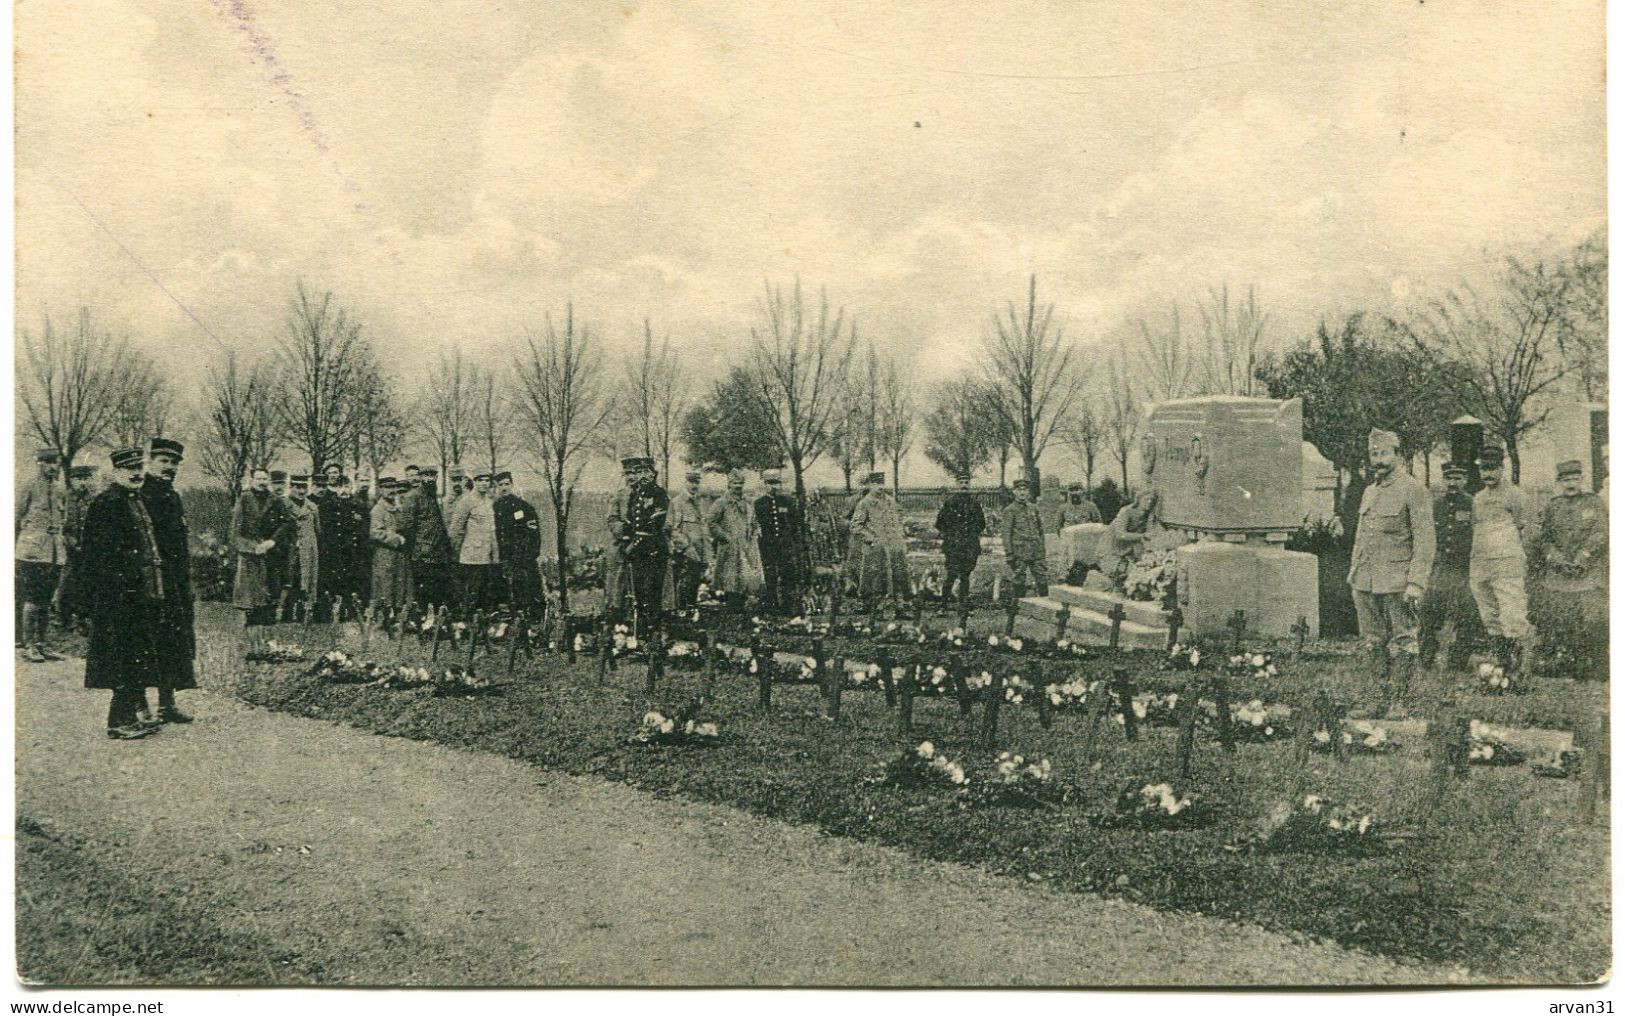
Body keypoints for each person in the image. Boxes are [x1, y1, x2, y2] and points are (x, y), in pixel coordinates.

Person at [1346, 428, 1435, 715]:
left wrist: (1416, 584)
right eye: (1374, 454)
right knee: (1372, 640)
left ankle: (1400, 701)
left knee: (1404, 639)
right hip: (1366, 579)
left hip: (1399, 581)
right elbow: (1362, 536)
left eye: (1384, 453)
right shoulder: (1370, 491)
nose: (1378, 460)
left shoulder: (1413, 490)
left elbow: (1425, 540)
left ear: (1398, 455)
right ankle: (1376, 700)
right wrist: (1354, 574)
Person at [80, 448, 167, 739]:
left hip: (142, 593)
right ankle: (118, 721)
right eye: (129, 468)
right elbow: (97, 556)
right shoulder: (108, 503)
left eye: (139, 467)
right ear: (116, 472)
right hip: (119, 597)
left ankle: (131, 715)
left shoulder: (135, 499)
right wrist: (117, 590)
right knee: (122, 658)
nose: (137, 473)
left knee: (136, 656)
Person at [1531, 458, 1609, 680]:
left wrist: (1583, 555)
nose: (1571, 483)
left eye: (1575, 478)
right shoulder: (1553, 506)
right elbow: (1544, 538)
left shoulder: (1593, 503)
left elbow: (1601, 532)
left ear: (1582, 479)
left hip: (1588, 573)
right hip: (1559, 574)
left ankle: (1598, 666)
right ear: (1559, 482)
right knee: (1562, 621)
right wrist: (1554, 558)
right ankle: (1567, 663)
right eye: (1566, 479)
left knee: (1593, 621)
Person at [140, 437, 199, 722]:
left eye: (174, 463)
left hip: (174, 581)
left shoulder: (172, 496)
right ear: (150, 462)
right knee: (145, 641)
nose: (169, 467)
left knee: (173, 641)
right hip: (149, 581)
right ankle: (139, 705)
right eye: (164, 461)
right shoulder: (140, 493)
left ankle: (167, 703)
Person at [1467, 446, 1532, 682]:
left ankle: (1518, 671)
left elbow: (1524, 528)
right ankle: (1501, 666)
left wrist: (1518, 557)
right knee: (1489, 614)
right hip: (1482, 563)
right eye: (1484, 469)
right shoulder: (1478, 498)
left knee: (1512, 613)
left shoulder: (1515, 495)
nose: (1488, 474)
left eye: (1492, 468)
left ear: (1502, 468)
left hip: (1507, 563)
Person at [1418, 461, 1483, 671]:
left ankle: (1458, 659)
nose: (1453, 483)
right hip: (1438, 570)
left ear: (1465, 480)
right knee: (1429, 612)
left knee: (1466, 615)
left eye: (1457, 478)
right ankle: (1427, 654)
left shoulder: (1473, 504)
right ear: (1443, 480)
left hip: (1463, 570)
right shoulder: (1434, 505)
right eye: (1449, 478)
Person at [16, 448, 65, 662]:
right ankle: (28, 645)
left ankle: (42, 644)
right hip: (32, 551)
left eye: (56, 463)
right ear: (40, 464)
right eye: (49, 463)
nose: (54, 467)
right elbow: (15, 516)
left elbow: (63, 518)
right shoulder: (28, 486)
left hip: (54, 552)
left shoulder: (60, 489)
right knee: (32, 598)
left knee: (46, 599)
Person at [232, 466, 295, 628]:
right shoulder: (244, 498)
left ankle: (269, 626)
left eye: (264, 479)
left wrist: (272, 541)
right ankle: (252, 628)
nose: (262, 482)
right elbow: (235, 529)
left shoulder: (275, 499)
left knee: (271, 591)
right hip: (250, 553)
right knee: (251, 596)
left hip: (272, 552)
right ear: (252, 480)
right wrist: (250, 547)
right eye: (258, 478)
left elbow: (287, 522)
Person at [619, 457, 670, 634]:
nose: (643, 476)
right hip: (638, 551)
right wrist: (626, 539)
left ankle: (654, 633)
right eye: (639, 472)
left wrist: (635, 544)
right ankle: (641, 635)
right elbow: (630, 521)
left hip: (654, 549)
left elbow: (655, 524)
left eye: (646, 472)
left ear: (653, 474)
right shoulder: (636, 494)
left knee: (652, 592)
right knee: (639, 592)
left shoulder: (659, 494)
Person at [851, 472, 911, 612]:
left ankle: (899, 607)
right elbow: (855, 526)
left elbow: (897, 520)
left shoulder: (890, 501)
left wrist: (900, 538)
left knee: (898, 576)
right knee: (875, 579)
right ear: (871, 485)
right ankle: (874, 608)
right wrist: (871, 538)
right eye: (876, 484)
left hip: (893, 547)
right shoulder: (865, 503)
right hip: (875, 549)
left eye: (882, 484)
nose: (880, 487)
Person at [493, 470, 545, 617]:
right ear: (496, 487)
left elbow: (534, 532)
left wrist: (530, 553)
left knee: (529, 587)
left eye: (507, 484)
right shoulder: (495, 508)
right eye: (500, 485)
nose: (504, 488)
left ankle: (534, 617)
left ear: (512, 485)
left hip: (523, 556)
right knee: (507, 589)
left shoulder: (523, 507)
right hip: (504, 556)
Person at [53, 464, 99, 632]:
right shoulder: (65, 498)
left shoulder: (94, 498)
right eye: (79, 479)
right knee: (67, 581)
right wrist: (72, 543)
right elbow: (62, 526)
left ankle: (82, 618)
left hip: (88, 548)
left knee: (86, 582)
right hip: (69, 548)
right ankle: (61, 616)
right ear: (72, 480)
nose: (83, 482)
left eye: (86, 479)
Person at [449, 472, 501, 616]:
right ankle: (465, 622)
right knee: (471, 590)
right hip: (472, 555)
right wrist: (456, 552)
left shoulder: (490, 501)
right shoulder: (466, 502)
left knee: (487, 590)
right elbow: (455, 529)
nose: (484, 483)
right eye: (480, 480)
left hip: (488, 553)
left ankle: (484, 624)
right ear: (475, 482)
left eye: (487, 481)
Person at [755, 469, 804, 614]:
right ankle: (772, 604)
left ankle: (788, 605)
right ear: (765, 484)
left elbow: (795, 523)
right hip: (768, 545)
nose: (774, 487)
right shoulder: (759, 503)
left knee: (787, 574)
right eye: (770, 483)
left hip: (785, 545)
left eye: (776, 483)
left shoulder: (788, 501)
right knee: (770, 575)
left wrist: (794, 542)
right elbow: (757, 524)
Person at [708, 470, 762, 601]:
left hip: (745, 546)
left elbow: (753, 521)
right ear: (729, 484)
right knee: (730, 578)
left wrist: (753, 533)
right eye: (734, 483)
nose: (738, 486)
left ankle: (740, 604)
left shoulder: (747, 502)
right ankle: (731, 606)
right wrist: (725, 537)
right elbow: (711, 522)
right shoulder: (721, 502)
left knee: (744, 577)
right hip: (729, 547)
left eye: (740, 483)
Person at [935, 472, 986, 607]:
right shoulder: (950, 503)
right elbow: (939, 524)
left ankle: (963, 605)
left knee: (965, 576)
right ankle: (943, 604)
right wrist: (952, 534)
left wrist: (970, 533)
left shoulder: (975, 504)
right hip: (953, 546)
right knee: (951, 574)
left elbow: (982, 524)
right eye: (961, 482)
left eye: (966, 483)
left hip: (969, 545)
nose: (964, 486)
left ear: (969, 484)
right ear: (957, 484)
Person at [407, 468, 455, 610]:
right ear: (420, 478)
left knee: (438, 587)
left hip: (439, 550)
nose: (430, 479)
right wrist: (418, 545)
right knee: (424, 589)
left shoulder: (436, 496)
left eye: (433, 476)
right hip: (423, 551)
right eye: (426, 476)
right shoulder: (414, 497)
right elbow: (407, 525)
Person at [667, 469, 709, 610]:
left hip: (699, 550)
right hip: (685, 551)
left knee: (695, 581)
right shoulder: (677, 502)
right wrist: (686, 547)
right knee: (683, 582)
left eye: (696, 482)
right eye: (691, 482)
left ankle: (691, 609)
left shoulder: (700, 502)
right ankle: (681, 610)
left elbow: (703, 527)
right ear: (685, 482)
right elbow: (673, 529)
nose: (694, 485)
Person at [1001, 477, 1048, 599]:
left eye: (1025, 489)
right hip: (1019, 552)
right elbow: (1006, 534)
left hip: (1035, 550)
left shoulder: (1033, 508)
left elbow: (1040, 529)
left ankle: (1045, 607)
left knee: (1042, 578)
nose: (1022, 492)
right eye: (1019, 489)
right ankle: (1017, 608)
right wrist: (1009, 554)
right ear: (1014, 492)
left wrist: (1042, 547)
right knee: (1019, 580)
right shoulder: (1010, 510)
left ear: (1028, 492)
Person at [369, 478, 412, 611]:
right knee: (384, 583)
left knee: (400, 582)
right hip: (384, 553)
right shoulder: (378, 510)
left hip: (400, 553)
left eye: (393, 487)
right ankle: (384, 614)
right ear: (381, 490)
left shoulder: (399, 508)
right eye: (387, 488)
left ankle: (399, 613)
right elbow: (375, 532)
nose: (391, 491)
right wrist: (396, 539)